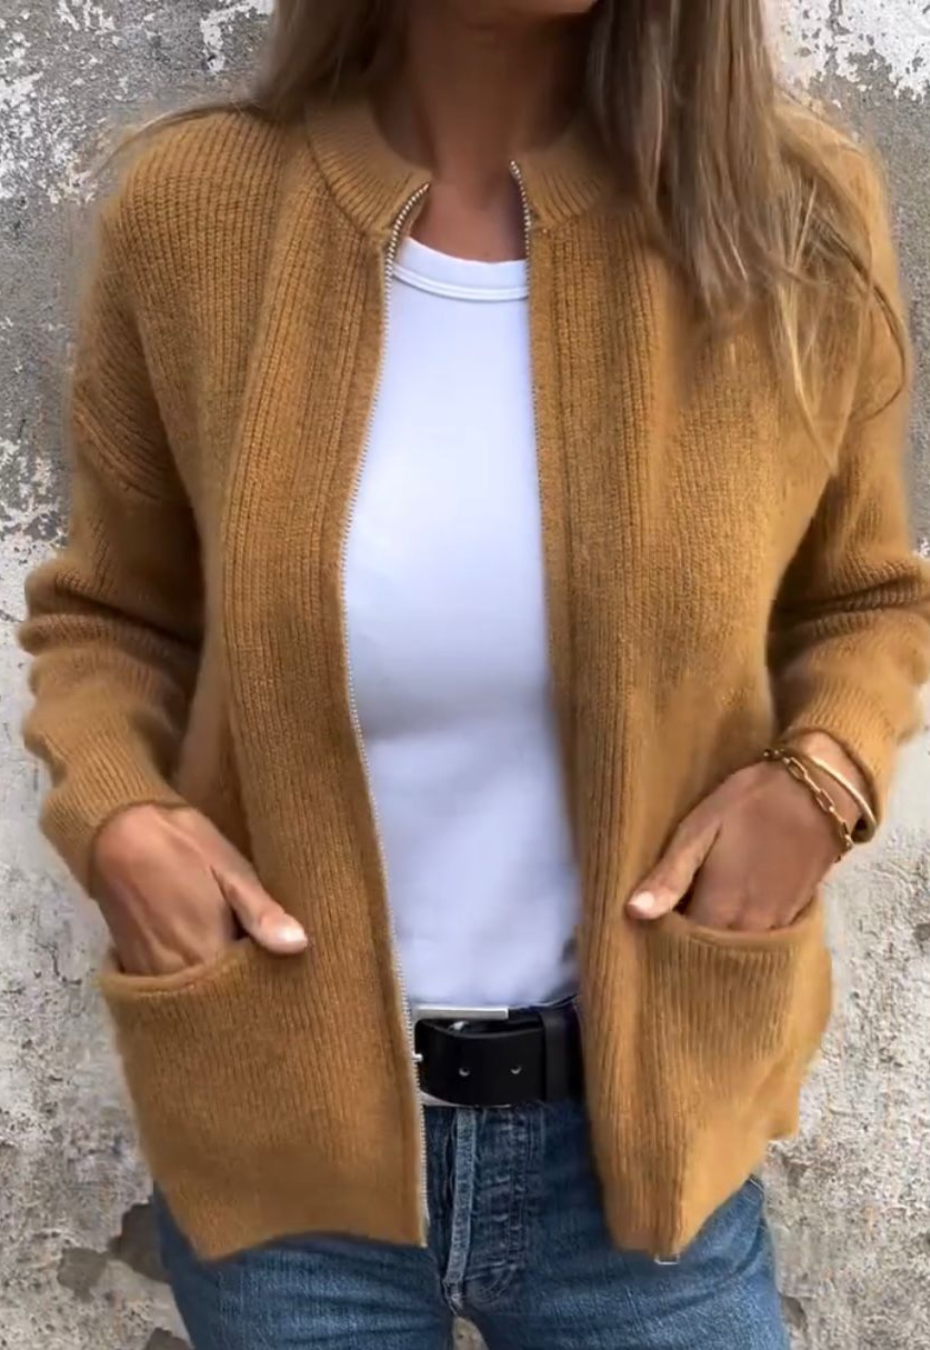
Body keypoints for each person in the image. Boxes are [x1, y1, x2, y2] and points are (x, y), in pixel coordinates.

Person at [19, 1, 930, 1346]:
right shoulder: (198, 213)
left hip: (643, 1170)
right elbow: (113, 619)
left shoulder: (786, 214)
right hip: (285, 1155)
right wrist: (120, 820)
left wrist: (823, 777)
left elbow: (861, 599)